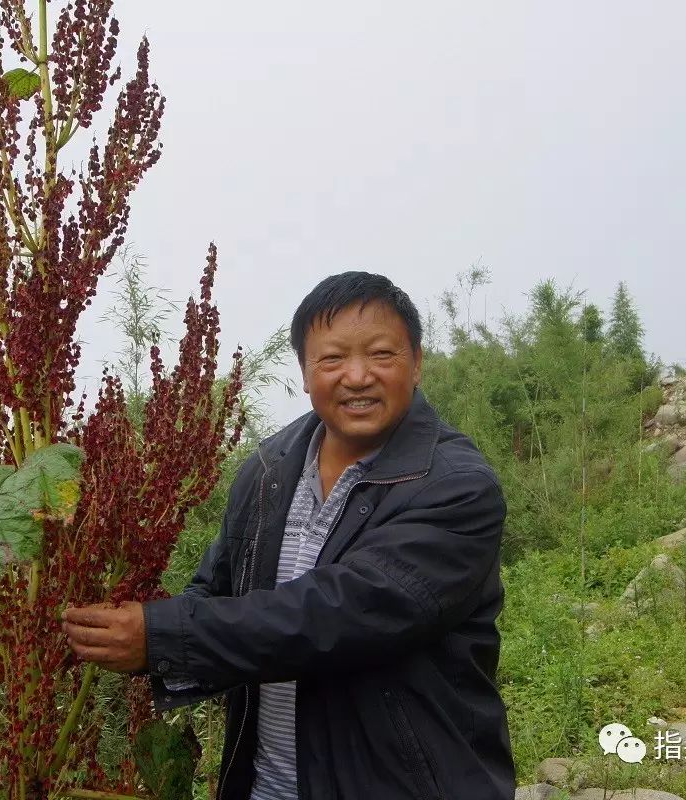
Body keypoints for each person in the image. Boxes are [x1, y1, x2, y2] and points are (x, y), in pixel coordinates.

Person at [62, 272, 515, 799]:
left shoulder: (456, 486)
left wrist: (162, 635)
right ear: (304, 372)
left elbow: (339, 614)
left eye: (382, 355)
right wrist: (113, 620)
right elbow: (217, 592)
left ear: (416, 363)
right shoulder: (269, 470)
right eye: (332, 359)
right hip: (267, 787)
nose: (358, 376)